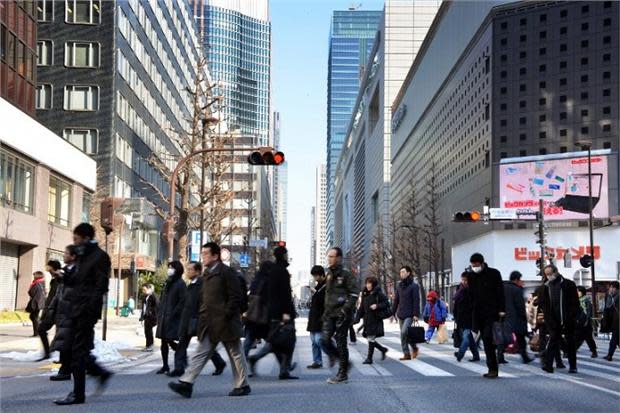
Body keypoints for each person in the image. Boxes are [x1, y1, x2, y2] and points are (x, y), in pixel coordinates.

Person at [168, 242, 250, 398]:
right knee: (201, 352)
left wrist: (227, 314)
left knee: (235, 353)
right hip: (209, 322)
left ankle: (243, 385)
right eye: (202, 253)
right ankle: (186, 383)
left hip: (226, 322)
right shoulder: (206, 274)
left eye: (206, 253)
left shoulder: (226, 272)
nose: (203, 256)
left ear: (215, 256)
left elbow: (236, 297)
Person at [53, 223, 112, 405]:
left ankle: (78, 394)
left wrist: (89, 308)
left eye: (77, 239)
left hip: (86, 311)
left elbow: (101, 286)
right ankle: (100, 373)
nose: (75, 242)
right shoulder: (81, 256)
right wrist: (63, 276)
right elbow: (76, 281)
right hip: (75, 309)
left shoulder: (100, 257)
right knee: (76, 349)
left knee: (77, 351)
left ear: (86, 238)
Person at [249, 246, 298, 380]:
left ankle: (280, 368)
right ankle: (283, 370)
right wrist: (287, 312)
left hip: (274, 312)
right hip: (282, 312)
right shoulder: (281, 271)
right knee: (289, 340)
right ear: (283, 256)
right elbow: (284, 294)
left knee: (275, 340)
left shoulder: (273, 271)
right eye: (286, 254)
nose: (288, 256)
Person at [171, 261, 226, 377]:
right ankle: (179, 368)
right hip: (188, 319)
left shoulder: (202, 284)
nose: (188, 272)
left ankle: (219, 363)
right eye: (188, 269)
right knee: (182, 344)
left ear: (197, 271)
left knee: (205, 345)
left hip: (198, 319)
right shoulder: (190, 284)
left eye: (190, 270)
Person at [320, 247, 359, 384]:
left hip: (342, 314)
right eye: (328, 256)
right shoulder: (329, 274)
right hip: (330, 314)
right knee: (324, 340)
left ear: (339, 258)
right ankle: (345, 363)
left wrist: (346, 309)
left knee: (341, 343)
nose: (329, 259)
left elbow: (354, 293)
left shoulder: (346, 274)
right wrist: (325, 313)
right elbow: (328, 295)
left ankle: (342, 374)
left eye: (332, 256)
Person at [468, 253, 505, 379]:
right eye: (472, 265)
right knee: (486, 340)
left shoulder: (494, 274)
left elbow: (500, 292)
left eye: (476, 265)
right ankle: (492, 368)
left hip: (492, 312)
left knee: (489, 339)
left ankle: (493, 369)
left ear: (482, 263)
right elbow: (471, 295)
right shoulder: (471, 276)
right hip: (478, 313)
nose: (474, 267)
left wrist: (502, 309)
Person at [537, 264, 579, 374]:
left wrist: (572, 316)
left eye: (550, 274)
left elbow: (575, 303)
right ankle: (549, 365)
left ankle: (573, 366)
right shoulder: (544, 287)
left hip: (567, 319)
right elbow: (542, 304)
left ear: (556, 272)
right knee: (553, 341)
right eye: (546, 275)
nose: (549, 276)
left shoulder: (568, 284)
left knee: (570, 342)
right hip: (552, 320)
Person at [48, 246, 79, 381]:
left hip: (71, 312)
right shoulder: (65, 272)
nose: (64, 255)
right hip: (63, 312)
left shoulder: (77, 271)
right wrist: (52, 308)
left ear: (73, 256)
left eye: (66, 253)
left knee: (69, 344)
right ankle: (66, 369)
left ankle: (67, 371)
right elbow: (59, 293)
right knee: (66, 343)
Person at [155, 261, 186, 375]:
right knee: (164, 341)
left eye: (171, 267)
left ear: (177, 269)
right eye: (169, 267)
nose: (169, 269)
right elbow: (163, 299)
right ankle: (165, 365)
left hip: (173, 317)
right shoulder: (167, 282)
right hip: (164, 316)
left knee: (170, 339)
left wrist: (175, 312)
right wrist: (159, 312)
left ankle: (181, 357)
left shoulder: (180, 283)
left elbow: (183, 300)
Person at [499, 271, 532, 364]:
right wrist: (523, 317)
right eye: (520, 279)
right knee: (521, 339)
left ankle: (500, 356)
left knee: (505, 338)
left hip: (505, 316)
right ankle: (525, 357)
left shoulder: (503, 287)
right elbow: (520, 305)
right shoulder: (517, 289)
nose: (521, 281)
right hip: (517, 318)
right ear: (516, 279)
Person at [356, 276, 389, 364]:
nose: (368, 285)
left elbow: (386, 303)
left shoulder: (378, 293)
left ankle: (369, 358)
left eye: (369, 283)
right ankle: (383, 349)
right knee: (367, 336)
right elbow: (362, 306)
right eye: (367, 283)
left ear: (373, 284)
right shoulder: (365, 293)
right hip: (367, 319)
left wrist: (377, 306)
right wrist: (357, 318)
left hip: (375, 319)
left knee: (371, 337)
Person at [243, 261, 273, 358]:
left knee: (248, 342)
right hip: (264, 318)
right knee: (272, 342)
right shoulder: (268, 281)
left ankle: (242, 364)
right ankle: (285, 367)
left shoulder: (255, 280)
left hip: (252, 317)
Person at [392, 266, 421, 360]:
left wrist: (416, 314)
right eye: (400, 272)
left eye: (403, 272)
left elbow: (416, 300)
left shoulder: (414, 286)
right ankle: (407, 353)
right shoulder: (399, 285)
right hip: (401, 314)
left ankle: (412, 349)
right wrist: (392, 313)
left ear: (408, 273)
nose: (401, 274)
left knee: (404, 332)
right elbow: (396, 300)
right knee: (404, 334)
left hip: (410, 314)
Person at [36, 260, 62, 360]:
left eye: (49, 268)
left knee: (61, 335)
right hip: (50, 311)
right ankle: (47, 353)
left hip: (58, 311)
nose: (48, 270)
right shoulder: (53, 280)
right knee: (41, 329)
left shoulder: (61, 279)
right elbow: (51, 296)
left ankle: (64, 360)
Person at [453, 272, 480, 362]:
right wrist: (455, 315)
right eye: (463, 280)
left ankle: (460, 353)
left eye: (466, 280)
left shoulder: (473, 290)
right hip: (460, 317)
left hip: (470, 317)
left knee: (466, 337)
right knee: (469, 338)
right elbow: (456, 303)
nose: (464, 282)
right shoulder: (459, 289)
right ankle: (476, 355)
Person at [306, 265, 327, 369]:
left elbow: (324, 301)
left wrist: (316, 293)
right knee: (314, 341)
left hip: (321, 317)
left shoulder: (326, 285)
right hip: (314, 317)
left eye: (315, 276)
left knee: (319, 340)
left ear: (321, 274)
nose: (314, 278)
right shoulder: (318, 286)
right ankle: (317, 361)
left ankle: (333, 352)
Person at [575, 286, 597, 358]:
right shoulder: (576, 300)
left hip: (586, 322)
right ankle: (571, 350)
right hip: (578, 322)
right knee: (577, 337)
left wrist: (587, 321)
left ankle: (594, 351)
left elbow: (589, 312)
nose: (577, 293)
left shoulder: (586, 300)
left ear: (582, 292)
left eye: (579, 291)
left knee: (588, 338)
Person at [26, 271, 46, 339]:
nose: (33, 276)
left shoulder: (37, 283)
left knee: (34, 317)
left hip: (36, 302)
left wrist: (31, 286)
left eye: (34, 275)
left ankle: (37, 333)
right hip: (39, 302)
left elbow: (31, 292)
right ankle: (38, 331)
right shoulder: (41, 282)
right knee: (34, 317)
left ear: (37, 276)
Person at [602, 281, 619, 361]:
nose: (611, 289)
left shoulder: (619, 296)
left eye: (613, 287)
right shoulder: (608, 296)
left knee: (614, 339)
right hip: (612, 320)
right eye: (610, 287)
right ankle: (609, 355)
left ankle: (609, 355)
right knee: (617, 340)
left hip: (618, 321)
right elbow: (606, 308)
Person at [139, 284, 158, 352]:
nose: (143, 291)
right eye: (143, 290)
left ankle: (150, 345)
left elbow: (157, 306)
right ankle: (148, 345)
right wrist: (141, 317)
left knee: (149, 331)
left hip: (152, 316)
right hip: (146, 316)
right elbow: (143, 308)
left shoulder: (153, 296)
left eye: (145, 289)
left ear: (149, 289)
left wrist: (151, 312)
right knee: (147, 331)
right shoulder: (145, 297)